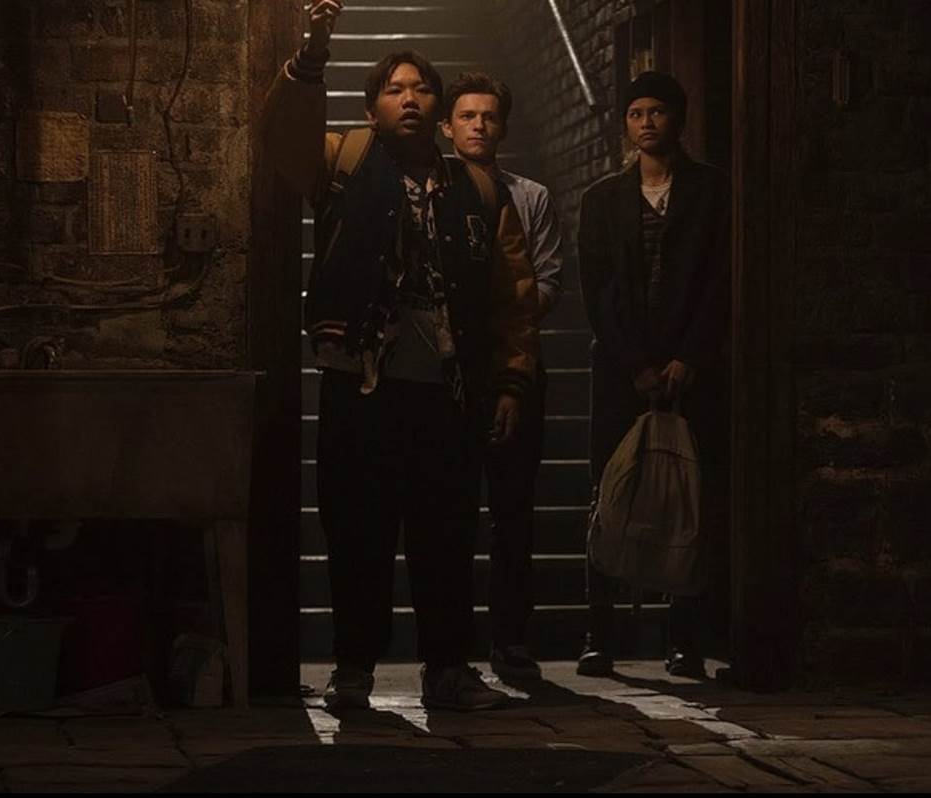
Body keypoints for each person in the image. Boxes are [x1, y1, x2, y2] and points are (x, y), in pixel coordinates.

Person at [260, 0, 539, 711]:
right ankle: (353, 669)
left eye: (420, 88)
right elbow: (282, 138)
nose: (409, 97)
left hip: (447, 394)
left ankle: (448, 669)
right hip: (362, 387)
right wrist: (311, 54)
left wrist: (511, 382)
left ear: (439, 108)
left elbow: (512, 297)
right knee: (358, 535)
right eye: (393, 88)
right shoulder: (344, 160)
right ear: (373, 108)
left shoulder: (479, 190)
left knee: (447, 537)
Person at [575, 71, 731, 678]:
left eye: (657, 112)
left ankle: (685, 638)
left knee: (691, 494)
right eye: (636, 112)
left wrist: (690, 356)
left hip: (693, 368)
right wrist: (636, 363)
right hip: (622, 369)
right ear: (625, 122)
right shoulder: (603, 199)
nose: (646, 122)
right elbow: (598, 290)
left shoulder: (711, 191)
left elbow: (721, 279)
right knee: (610, 492)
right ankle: (600, 634)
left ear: (678, 120)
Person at [439, 72, 564, 680]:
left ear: (504, 127)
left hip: (516, 365)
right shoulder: (433, 189)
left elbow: (547, 281)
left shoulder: (531, 196)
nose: (479, 126)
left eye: (488, 116)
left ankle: (511, 641)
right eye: (467, 116)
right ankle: (452, 649)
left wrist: (500, 315)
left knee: (514, 513)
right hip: (453, 373)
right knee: (451, 513)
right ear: (447, 126)